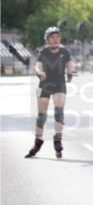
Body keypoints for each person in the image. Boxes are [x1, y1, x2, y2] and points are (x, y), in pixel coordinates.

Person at [26, 26, 74, 159]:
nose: (55, 39)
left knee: (59, 111)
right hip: (45, 85)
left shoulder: (65, 52)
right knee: (41, 116)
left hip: (59, 84)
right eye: (52, 37)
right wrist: (39, 72)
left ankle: (58, 138)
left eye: (57, 37)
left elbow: (70, 64)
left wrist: (70, 73)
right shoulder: (44, 52)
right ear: (47, 40)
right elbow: (38, 65)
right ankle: (37, 141)